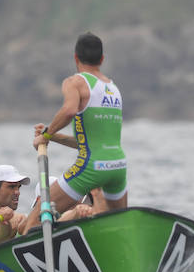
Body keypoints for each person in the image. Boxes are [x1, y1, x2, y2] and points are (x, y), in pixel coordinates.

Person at [31, 31, 128, 216]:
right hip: (118, 166)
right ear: (102, 59)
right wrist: (53, 135)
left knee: (36, 218)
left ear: (75, 58)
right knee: (119, 221)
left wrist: (46, 135)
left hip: (92, 167)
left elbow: (69, 111)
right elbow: (90, 141)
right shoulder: (113, 88)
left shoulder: (75, 82)